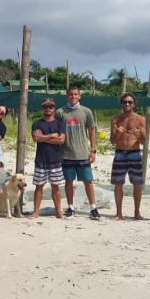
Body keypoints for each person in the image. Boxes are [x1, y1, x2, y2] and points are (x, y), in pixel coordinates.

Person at [55, 86, 100, 219]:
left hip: (83, 153)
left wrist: (93, 150)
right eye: (70, 94)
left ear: (79, 96)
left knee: (88, 181)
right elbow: (57, 132)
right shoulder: (60, 112)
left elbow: (91, 131)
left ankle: (93, 207)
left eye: (75, 94)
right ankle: (70, 207)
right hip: (66, 153)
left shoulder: (86, 111)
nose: (73, 97)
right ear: (66, 96)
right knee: (68, 181)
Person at [110, 93, 147, 220]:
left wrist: (138, 135)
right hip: (120, 153)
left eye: (130, 102)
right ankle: (119, 213)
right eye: (125, 102)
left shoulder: (140, 119)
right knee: (118, 184)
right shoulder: (115, 120)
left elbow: (143, 142)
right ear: (121, 104)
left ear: (134, 104)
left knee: (137, 183)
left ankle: (137, 212)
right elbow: (112, 141)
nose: (127, 104)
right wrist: (118, 134)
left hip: (134, 152)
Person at [29, 97, 66, 219]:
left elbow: (61, 139)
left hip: (55, 159)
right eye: (45, 106)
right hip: (41, 159)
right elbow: (36, 139)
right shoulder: (36, 124)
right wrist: (51, 136)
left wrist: (43, 137)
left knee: (55, 187)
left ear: (54, 108)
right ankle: (36, 211)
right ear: (42, 108)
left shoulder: (59, 124)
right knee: (38, 186)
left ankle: (58, 211)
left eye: (50, 106)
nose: (48, 109)